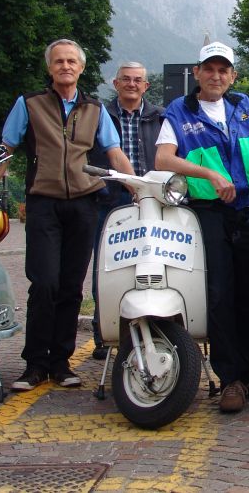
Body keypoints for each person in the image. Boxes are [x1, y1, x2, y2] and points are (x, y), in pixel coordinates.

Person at [0, 38, 134, 392]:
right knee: (45, 282)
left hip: (84, 203)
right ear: (49, 68)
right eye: (59, 61)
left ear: (81, 68)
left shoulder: (95, 109)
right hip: (43, 202)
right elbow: (6, 149)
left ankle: (61, 362)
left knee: (71, 286)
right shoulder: (29, 103)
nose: (65, 66)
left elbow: (114, 152)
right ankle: (35, 363)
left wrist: (137, 186)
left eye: (71, 61)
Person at [154, 41, 249, 413]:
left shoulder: (244, 106)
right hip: (209, 213)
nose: (216, 76)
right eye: (209, 69)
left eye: (223, 70)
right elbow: (163, 158)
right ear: (197, 73)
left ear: (232, 76)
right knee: (219, 295)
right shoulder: (180, 110)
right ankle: (230, 379)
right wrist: (208, 174)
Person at [88, 62, 165, 360]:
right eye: (126, 79)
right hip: (108, 199)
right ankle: (103, 334)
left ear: (146, 86)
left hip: (152, 199)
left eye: (137, 80)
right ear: (116, 84)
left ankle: (156, 329)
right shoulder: (99, 115)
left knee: (152, 264)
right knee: (106, 267)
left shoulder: (161, 116)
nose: (132, 84)